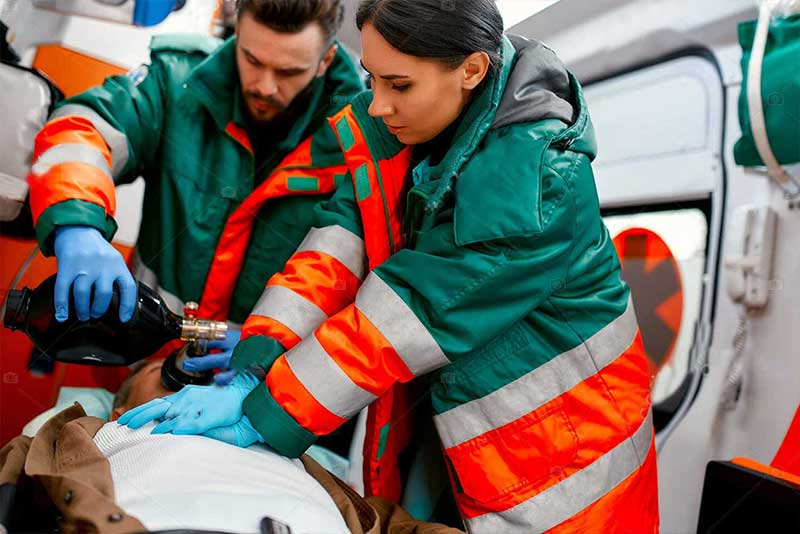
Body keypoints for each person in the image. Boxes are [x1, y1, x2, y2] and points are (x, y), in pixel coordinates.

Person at [120, 0, 660, 532]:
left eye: (398, 85)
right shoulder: (401, 139)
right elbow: (326, 259)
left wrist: (263, 410)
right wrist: (253, 367)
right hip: (454, 428)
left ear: (472, 70)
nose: (377, 105)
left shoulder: (536, 182)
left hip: (560, 467)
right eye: (371, 78)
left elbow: (400, 319)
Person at [25, 0, 364, 368]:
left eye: (288, 71)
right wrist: (77, 224)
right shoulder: (176, 82)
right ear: (238, 32)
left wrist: (274, 348)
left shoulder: (362, 143)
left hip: (258, 383)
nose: (265, 86)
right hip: (138, 364)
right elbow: (84, 127)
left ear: (325, 60)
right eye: (251, 59)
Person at [0, 361, 463, 534]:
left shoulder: (292, 454)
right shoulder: (98, 432)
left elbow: (396, 526)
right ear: (121, 409)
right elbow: (14, 477)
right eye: (167, 375)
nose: (197, 384)